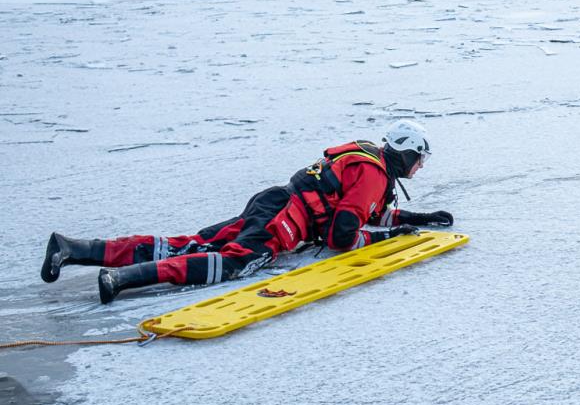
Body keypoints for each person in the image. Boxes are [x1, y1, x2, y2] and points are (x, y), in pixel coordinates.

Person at [40, 120, 455, 304]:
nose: (420, 167)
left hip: (273, 202)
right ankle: (121, 278)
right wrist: (386, 238)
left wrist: (415, 219)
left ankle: (75, 248)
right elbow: (342, 237)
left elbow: (363, 211)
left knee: (190, 244)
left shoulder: (367, 158)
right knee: (230, 264)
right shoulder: (374, 176)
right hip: (283, 223)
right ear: (407, 154)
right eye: (420, 159)